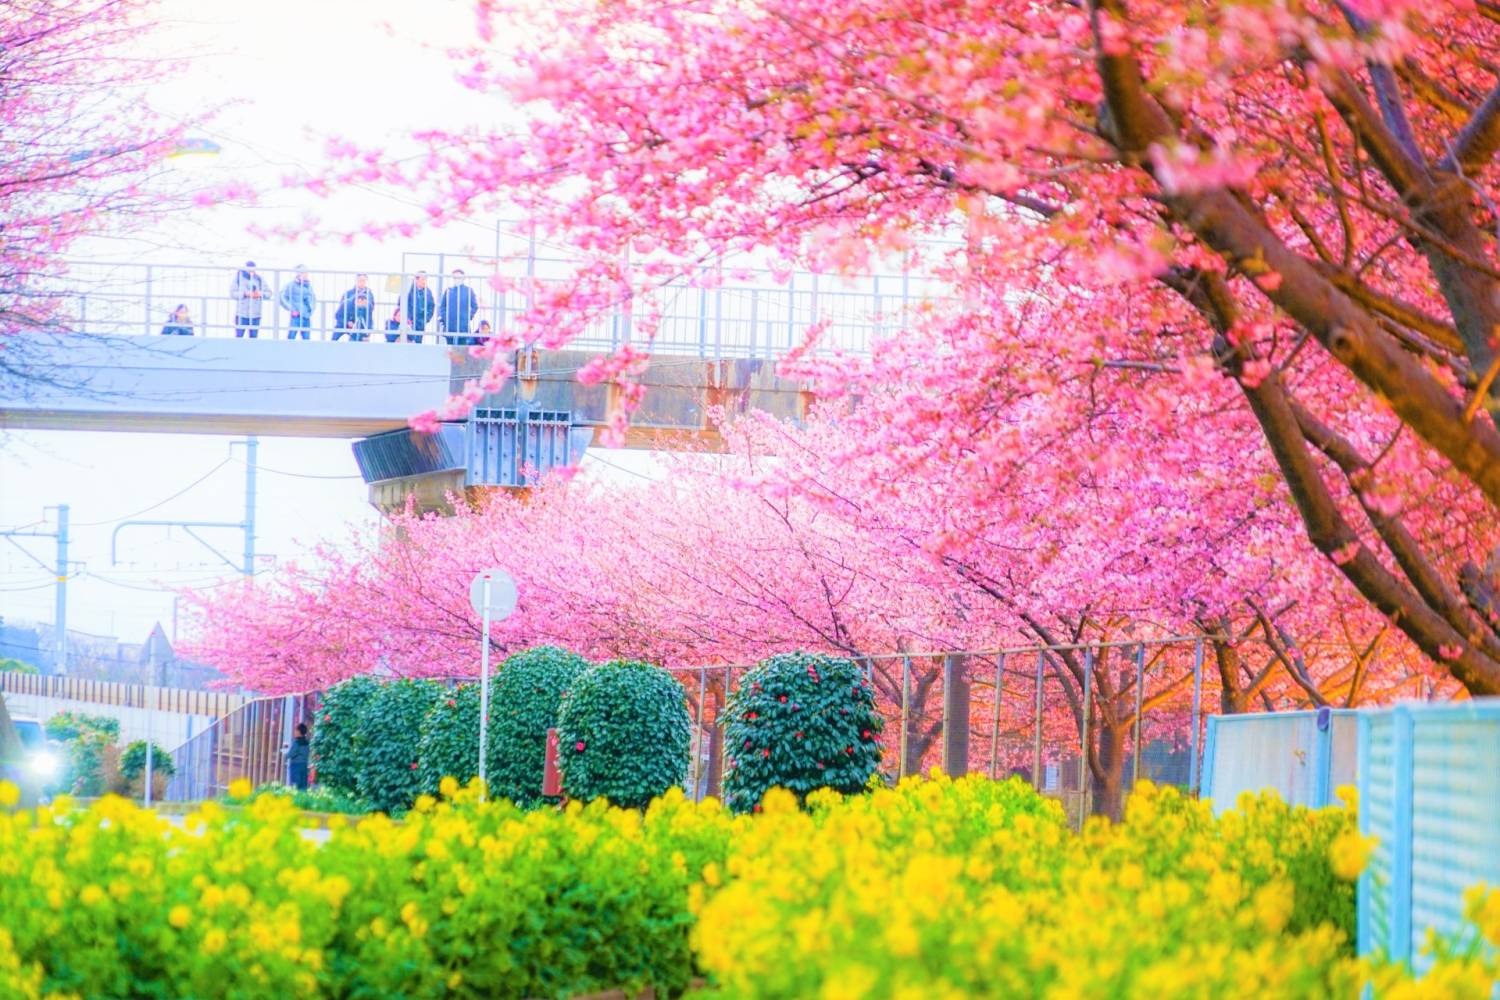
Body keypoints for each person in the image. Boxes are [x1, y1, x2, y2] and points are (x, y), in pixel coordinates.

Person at [438, 269, 480, 344]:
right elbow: (442, 306)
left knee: (462, 347)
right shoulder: (448, 290)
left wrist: (468, 316)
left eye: (458, 277)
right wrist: (445, 317)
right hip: (450, 325)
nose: (456, 279)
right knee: (449, 347)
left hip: (463, 325)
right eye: (454, 277)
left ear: (463, 278)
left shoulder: (468, 290)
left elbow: (475, 306)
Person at [333, 273, 375, 341]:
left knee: (361, 339)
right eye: (360, 280)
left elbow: (370, 312)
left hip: (360, 323)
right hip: (344, 322)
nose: (362, 282)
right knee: (336, 337)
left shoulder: (369, 294)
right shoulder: (348, 294)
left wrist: (369, 329)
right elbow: (339, 314)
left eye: (364, 280)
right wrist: (347, 322)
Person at [279, 265, 316, 340]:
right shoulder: (291, 285)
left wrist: (311, 310)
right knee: (291, 337)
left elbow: (313, 299)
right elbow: (282, 297)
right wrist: (292, 309)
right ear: (299, 274)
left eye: (306, 273)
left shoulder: (309, 286)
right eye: (304, 273)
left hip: (306, 316)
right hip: (296, 316)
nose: (306, 275)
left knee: (306, 339)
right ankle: (288, 351)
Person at [230, 261, 266, 338]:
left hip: (255, 314)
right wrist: (245, 294)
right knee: (239, 336)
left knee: (253, 338)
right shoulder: (238, 279)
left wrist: (260, 294)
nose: (251, 271)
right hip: (241, 314)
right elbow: (233, 293)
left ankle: (253, 350)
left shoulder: (259, 279)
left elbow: (268, 293)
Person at [402, 271, 435, 343]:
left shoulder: (428, 292)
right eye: (423, 279)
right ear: (416, 279)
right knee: (408, 342)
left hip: (421, 323)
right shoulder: (408, 290)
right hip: (409, 323)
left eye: (426, 279)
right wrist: (407, 318)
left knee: (418, 343)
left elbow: (431, 306)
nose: (425, 281)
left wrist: (427, 318)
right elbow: (401, 304)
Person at [286, 723, 310, 791]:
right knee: (303, 786)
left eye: (296, 730)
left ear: (299, 731)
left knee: (295, 786)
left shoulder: (296, 742)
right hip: (304, 765)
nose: (294, 732)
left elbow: (291, 754)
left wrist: (286, 754)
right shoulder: (307, 742)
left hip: (296, 766)